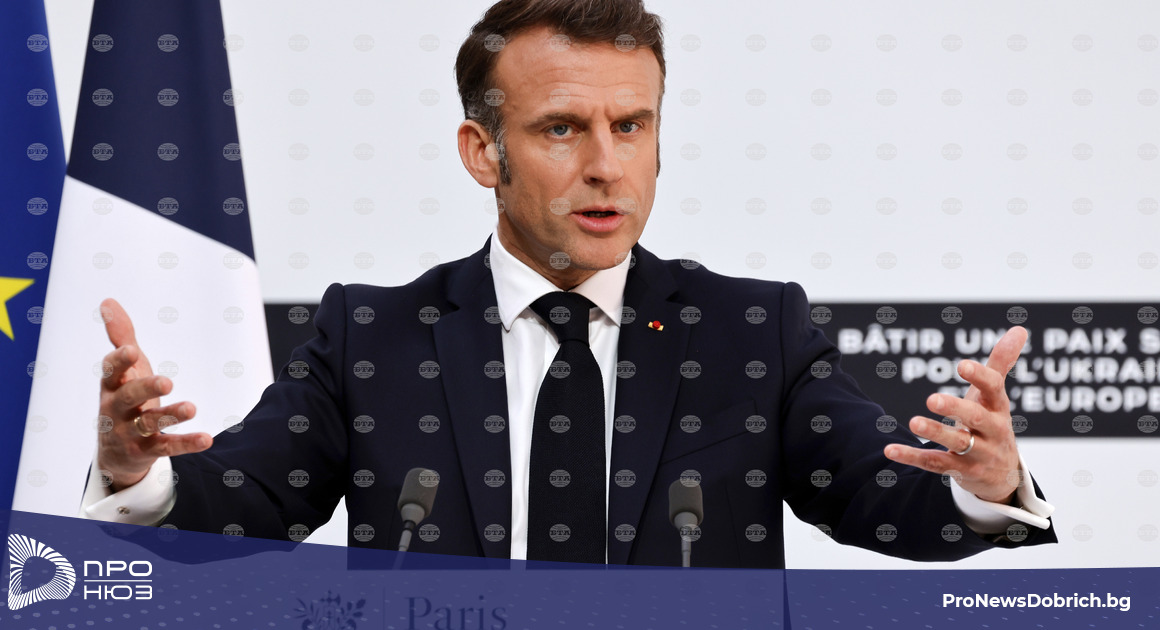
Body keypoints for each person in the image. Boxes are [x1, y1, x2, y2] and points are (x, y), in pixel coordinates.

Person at [83, 0, 1055, 567]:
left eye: (631, 126)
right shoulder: (372, 335)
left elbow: (878, 492)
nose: (606, 166)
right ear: (483, 151)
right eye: (562, 129)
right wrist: (138, 475)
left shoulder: (752, 331)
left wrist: (984, 486)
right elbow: (249, 500)